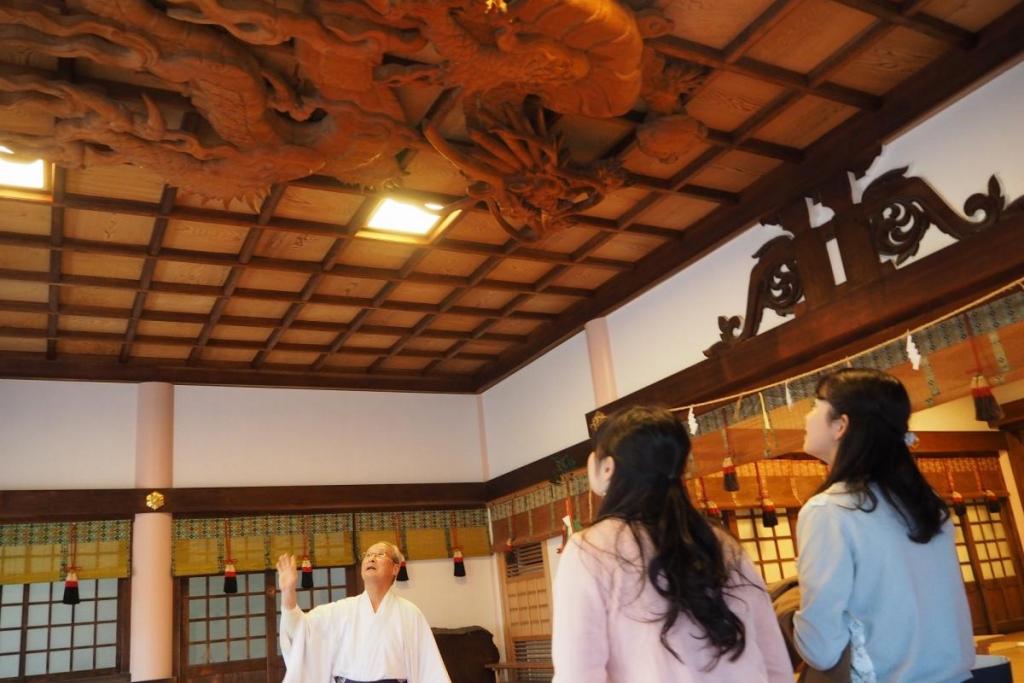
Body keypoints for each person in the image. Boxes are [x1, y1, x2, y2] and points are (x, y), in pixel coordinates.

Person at [552, 406, 794, 682]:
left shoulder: (590, 550)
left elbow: (578, 675)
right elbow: (775, 661)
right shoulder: (723, 544)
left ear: (608, 467)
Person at [794, 368, 974, 682]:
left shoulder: (828, 510)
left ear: (841, 425)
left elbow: (820, 648)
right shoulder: (926, 502)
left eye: (814, 405)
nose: (807, 417)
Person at [277, 542, 451, 683]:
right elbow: (300, 630)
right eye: (367, 555)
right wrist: (288, 592)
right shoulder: (340, 610)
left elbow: (429, 669)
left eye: (380, 554)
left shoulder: (410, 614)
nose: (371, 558)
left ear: (395, 568)